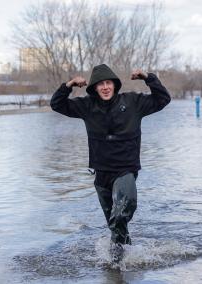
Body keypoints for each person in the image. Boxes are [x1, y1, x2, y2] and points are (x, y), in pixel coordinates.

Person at [50, 64, 171, 262]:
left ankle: (117, 266)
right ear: (95, 88)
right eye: (100, 85)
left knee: (123, 210)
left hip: (125, 170)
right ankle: (120, 263)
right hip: (101, 174)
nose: (105, 87)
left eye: (108, 83)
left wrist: (148, 78)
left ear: (114, 85)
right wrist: (69, 85)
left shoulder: (133, 102)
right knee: (116, 227)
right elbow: (57, 104)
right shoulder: (87, 106)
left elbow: (163, 99)